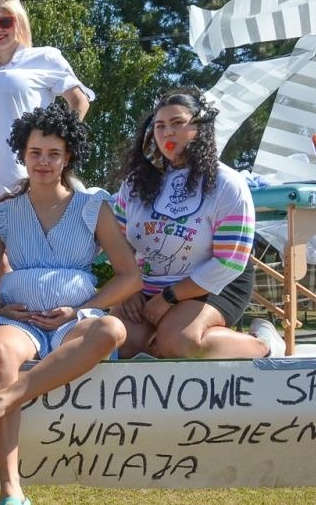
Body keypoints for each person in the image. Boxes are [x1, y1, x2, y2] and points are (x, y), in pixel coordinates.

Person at [0, 104, 142, 505]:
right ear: (22, 153)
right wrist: (0, 307)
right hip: (22, 322)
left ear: (68, 156)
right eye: (35, 152)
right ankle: (10, 491)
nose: (43, 162)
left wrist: (79, 308)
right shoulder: (1, 212)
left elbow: (130, 276)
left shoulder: (95, 206)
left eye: (53, 153)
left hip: (75, 319)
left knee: (112, 328)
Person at [111, 89, 284, 360]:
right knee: (115, 341)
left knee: (178, 342)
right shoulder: (134, 184)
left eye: (178, 123)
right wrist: (125, 288)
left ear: (200, 128)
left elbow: (229, 262)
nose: (167, 133)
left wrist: (168, 298)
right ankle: (155, 343)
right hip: (145, 286)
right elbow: (116, 242)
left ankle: (264, 343)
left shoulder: (227, 184)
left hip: (214, 286)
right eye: (160, 126)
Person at [0, 0, 93, 210]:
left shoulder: (44, 58)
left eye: (5, 22)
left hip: (25, 180)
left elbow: (79, 100)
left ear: (18, 21)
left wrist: (58, 147)